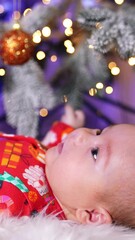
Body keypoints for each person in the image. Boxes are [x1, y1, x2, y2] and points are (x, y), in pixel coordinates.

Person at [0, 105, 135, 229]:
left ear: (92, 215)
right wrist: (66, 126)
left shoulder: (24, 212)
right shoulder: (58, 168)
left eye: (95, 153)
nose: (81, 133)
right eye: (99, 133)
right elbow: (51, 146)